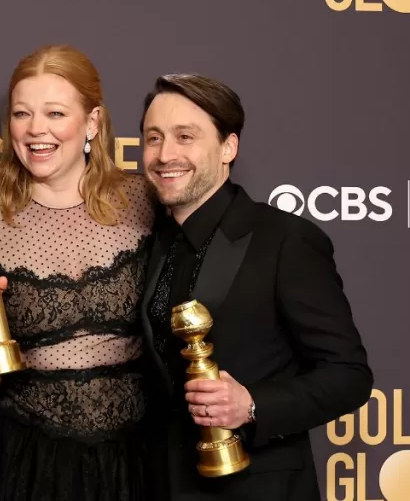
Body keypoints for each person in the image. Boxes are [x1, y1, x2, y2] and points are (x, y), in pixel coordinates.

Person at [137, 74, 374, 500]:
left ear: (228, 147)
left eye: (185, 136)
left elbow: (349, 376)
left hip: (259, 486)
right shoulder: (149, 240)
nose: (165, 154)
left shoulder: (285, 240)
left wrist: (251, 405)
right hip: (163, 483)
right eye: (153, 138)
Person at [0, 44, 156, 501]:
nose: (36, 129)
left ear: (92, 122)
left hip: (135, 462)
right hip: (20, 463)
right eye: (22, 114)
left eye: (55, 113)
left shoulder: (145, 202)